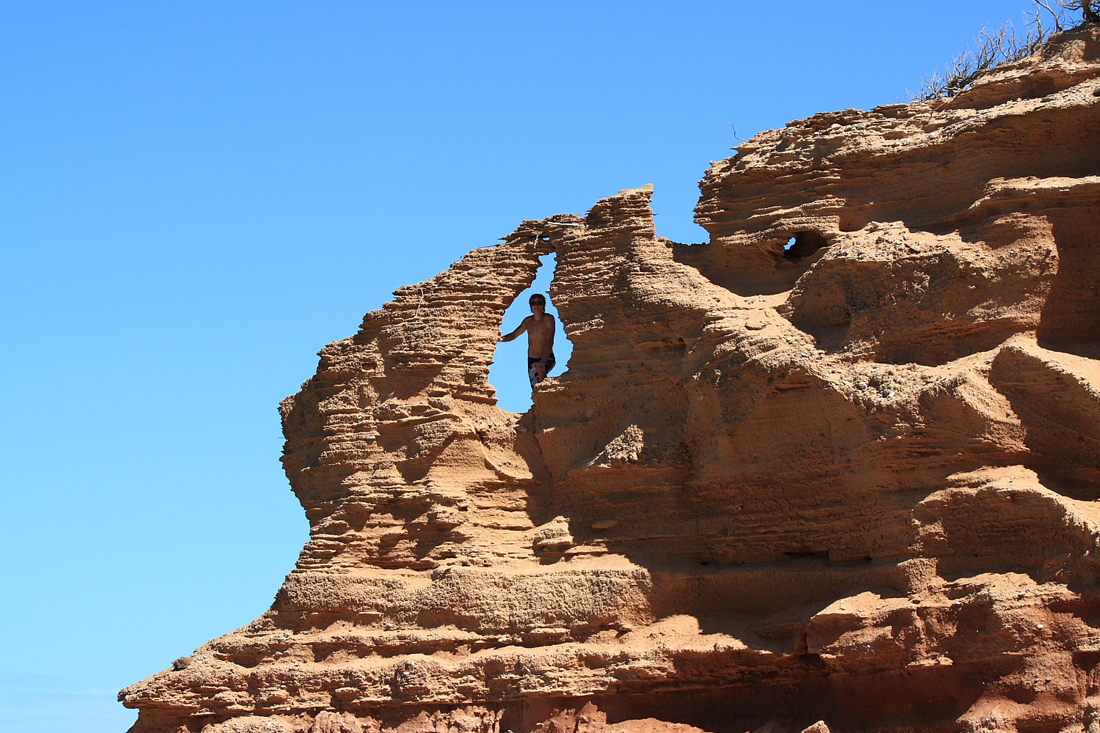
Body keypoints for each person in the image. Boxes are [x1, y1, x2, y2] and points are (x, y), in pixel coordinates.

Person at [499, 293, 556, 388]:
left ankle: (544, 395)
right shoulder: (528, 321)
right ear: (530, 306)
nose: (536, 306)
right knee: (535, 388)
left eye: (539, 303)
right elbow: (514, 335)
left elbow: (549, 341)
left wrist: (542, 361)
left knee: (541, 374)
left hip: (546, 357)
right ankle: (541, 400)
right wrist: (499, 339)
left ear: (544, 305)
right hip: (532, 359)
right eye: (533, 303)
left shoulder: (548, 319)